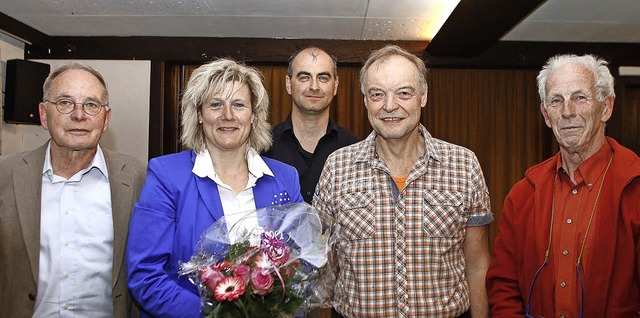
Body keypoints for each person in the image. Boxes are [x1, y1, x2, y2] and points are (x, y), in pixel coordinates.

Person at [314, 44, 493, 318]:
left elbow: (477, 264)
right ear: (365, 100)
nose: (389, 105)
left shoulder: (464, 165)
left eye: (404, 93)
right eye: (377, 94)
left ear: (423, 96)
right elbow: (321, 268)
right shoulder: (337, 168)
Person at [126, 58, 304, 317]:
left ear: (254, 115)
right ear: (199, 114)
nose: (228, 115)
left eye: (239, 105)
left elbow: (300, 265)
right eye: (215, 104)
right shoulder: (166, 175)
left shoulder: (285, 178)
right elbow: (146, 275)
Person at [486, 54, 640, 316]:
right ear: (546, 114)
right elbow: (504, 286)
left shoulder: (634, 188)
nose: (567, 111)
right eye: (556, 100)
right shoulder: (523, 194)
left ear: (606, 107)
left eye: (580, 97)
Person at [0, 62, 146, 317]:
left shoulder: (137, 178)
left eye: (91, 104)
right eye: (65, 103)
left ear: (106, 119)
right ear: (44, 115)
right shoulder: (5, 174)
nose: (79, 115)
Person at [264, 46, 359, 203]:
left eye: (323, 78)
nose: (314, 87)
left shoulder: (355, 150)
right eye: (304, 77)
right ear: (288, 84)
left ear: (335, 85)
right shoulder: (262, 148)